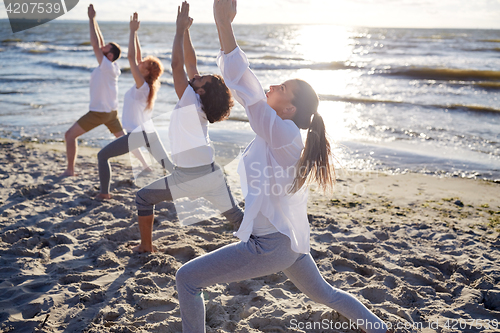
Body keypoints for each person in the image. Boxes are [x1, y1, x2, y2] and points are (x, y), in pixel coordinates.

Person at [173, 1, 390, 333]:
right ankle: (378, 328)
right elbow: (247, 89)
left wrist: (223, 23)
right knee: (326, 294)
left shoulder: (284, 132)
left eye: (283, 88)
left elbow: (242, 82)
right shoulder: (281, 130)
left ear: (289, 108)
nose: (273, 86)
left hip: (270, 245)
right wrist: (222, 25)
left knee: (187, 278)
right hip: (289, 243)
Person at [133, 1, 243, 253]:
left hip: (188, 176)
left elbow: (176, 66)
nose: (195, 75)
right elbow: (190, 64)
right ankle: (266, 241)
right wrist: (187, 31)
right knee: (237, 217)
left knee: (143, 198)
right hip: (212, 173)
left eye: (200, 78)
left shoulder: (190, 100)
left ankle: (146, 247)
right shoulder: (200, 103)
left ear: (201, 90)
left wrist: (179, 30)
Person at [96, 12, 174, 200]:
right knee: (169, 166)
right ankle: (192, 185)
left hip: (138, 134)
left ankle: (104, 194)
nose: (140, 63)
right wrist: (136, 34)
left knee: (102, 156)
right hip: (149, 133)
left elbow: (131, 58)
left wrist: (131, 32)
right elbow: (137, 57)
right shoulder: (148, 85)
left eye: (144, 64)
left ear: (146, 71)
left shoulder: (142, 86)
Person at [61, 4, 124, 177]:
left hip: (99, 113)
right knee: (127, 141)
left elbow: (96, 45)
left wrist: (90, 19)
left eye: (106, 48)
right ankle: (146, 165)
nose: (102, 47)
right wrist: (95, 19)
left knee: (70, 135)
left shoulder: (106, 66)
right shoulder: (110, 66)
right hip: (111, 113)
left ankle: (70, 170)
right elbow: (100, 43)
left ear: (109, 55)